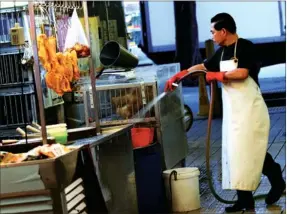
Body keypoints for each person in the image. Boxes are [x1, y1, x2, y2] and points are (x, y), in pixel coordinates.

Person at [165, 13, 286, 212]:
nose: (212, 36)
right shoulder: (220, 53)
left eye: (213, 32)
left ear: (223, 31)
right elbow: (203, 67)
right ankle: (245, 200)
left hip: (250, 109)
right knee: (237, 152)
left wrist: (218, 75)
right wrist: (181, 74)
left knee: (250, 151)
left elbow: (242, 73)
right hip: (234, 111)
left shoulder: (246, 47)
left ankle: (276, 180)